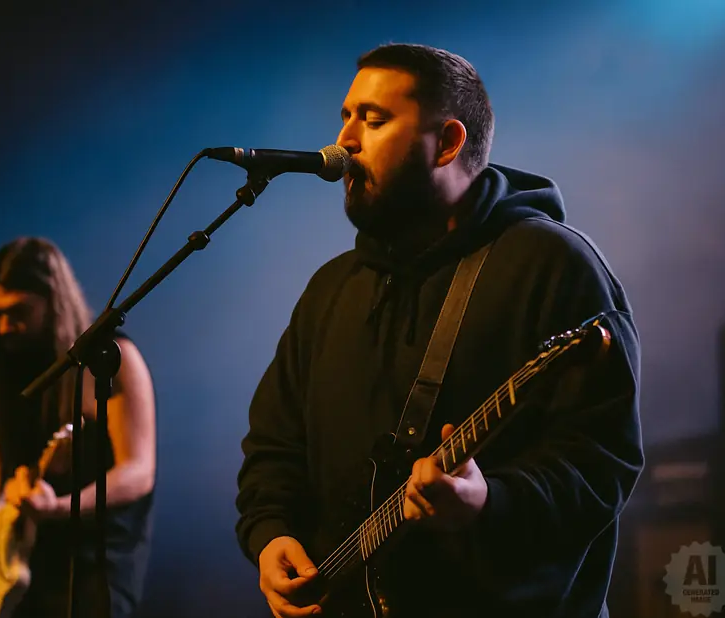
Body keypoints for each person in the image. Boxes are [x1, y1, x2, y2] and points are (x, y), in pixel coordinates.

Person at [234, 43, 644, 618]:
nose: (344, 141)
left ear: (448, 143)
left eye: (373, 119)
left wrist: (488, 501)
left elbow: (600, 464)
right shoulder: (332, 288)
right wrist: (270, 534)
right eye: (346, 116)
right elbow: (274, 444)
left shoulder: (551, 265)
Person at [0, 237, 156, 618]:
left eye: (18, 311)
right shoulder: (9, 365)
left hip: (96, 559)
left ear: (53, 301)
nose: (5, 326)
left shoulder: (111, 357)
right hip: (27, 559)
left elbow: (138, 471)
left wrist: (60, 508)